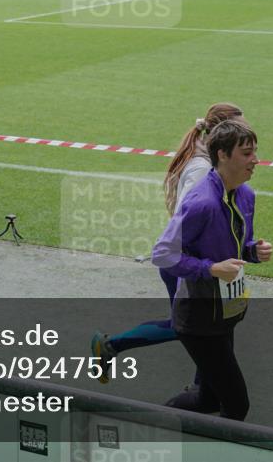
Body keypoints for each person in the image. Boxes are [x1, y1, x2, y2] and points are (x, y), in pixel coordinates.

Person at [91, 104, 245, 384]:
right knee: (191, 327)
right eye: (240, 129)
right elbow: (186, 218)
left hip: (198, 263)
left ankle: (205, 388)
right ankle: (111, 346)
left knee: (204, 326)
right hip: (187, 264)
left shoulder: (206, 159)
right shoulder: (201, 168)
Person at [152, 119, 273, 420]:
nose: (255, 160)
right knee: (236, 404)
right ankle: (151, 424)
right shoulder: (201, 202)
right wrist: (211, 269)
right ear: (222, 155)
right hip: (198, 317)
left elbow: (235, 246)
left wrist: (252, 251)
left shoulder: (246, 195)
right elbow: (164, 254)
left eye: (255, 152)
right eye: (246, 153)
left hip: (225, 311)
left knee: (208, 398)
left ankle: (152, 422)